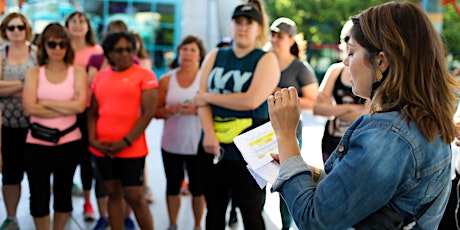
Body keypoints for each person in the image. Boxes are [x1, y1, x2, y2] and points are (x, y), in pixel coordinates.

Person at [268, 2, 458, 229]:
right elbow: (366, 189)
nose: (346, 62)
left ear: (381, 61)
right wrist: (300, 167)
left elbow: (313, 219)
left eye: (351, 52)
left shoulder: (389, 137)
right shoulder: (421, 119)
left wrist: (286, 135)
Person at [194, 0, 280, 229]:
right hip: (213, 146)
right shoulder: (215, 55)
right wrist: (208, 134)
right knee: (215, 209)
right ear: (231, 25)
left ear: (259, 29)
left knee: (250, 211)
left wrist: (209, 97)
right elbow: (198, 100)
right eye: (238, 22)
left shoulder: (266, 59)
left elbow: (251, 100)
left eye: (249, 23)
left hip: (249, 149)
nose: (243, 27)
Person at [88, 31, 158, 230]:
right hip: (102, 148)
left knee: (135, 197)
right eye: (119, 50)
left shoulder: (145, 75)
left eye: (129, 49)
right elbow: (93, 113)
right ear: (109, 53)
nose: (125, 54)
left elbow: (148, 113)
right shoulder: (101, 76)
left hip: (132, 149)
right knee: (113, 194)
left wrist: (125, 142)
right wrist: (93, 140)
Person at [22, 23, 88, 230]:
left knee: (63, 193)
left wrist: (45, 103)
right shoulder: (34, 73)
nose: (57, 48)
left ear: (68, 47)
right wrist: (64, 107)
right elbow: (28, 108)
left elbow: (79, 105)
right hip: (37, 142)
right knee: (39, 195)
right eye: (52, 43)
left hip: (68, 142)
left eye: (62, 44)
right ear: (44, 46)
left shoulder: (77, 72)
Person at [269, 16, 318, 230]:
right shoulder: (264, 61)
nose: (274, 39)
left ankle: (285, 225)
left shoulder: (300, 68)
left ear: (291, 39)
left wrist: (282, 96)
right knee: (257, 178)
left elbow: (313, 102)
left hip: (290, 132)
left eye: (280, 36)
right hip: (261, 130)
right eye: (272, 34)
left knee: (286, 178)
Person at [155, 35, 206, 230]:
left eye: (193, 50)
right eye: (184, 49)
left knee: (198, 189)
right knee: (172, 186)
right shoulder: (167, 79)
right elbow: (155, 111)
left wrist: (195, 110)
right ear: (178, 53)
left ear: (200, 55)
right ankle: (173, 224)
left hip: (198, 145)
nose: (188, 54)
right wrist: (170, 110)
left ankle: (197, 225)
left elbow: (214, 108)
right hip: (172, 144)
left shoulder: (205, 79)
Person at [65, 11, 103, 221]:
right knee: (67, 158)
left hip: (89, 111)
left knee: (88, 160)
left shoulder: (97, 51)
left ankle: (88, 202)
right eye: (74, 21)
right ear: (67, 26)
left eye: (82, 21)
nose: (78, 25)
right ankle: (65, 201)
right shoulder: (60, 48)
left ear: (89, 27)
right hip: (65, 110)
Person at [0, 12, 37, 230]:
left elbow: (41, 85)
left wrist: (7, 87)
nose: (16, 32)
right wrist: (25, 84)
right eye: (11, 28)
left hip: (35, 125)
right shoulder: (1, 54)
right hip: (8, 125)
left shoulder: (37, 53)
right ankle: (11, 217)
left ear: (26, 29)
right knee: (11, 175)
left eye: (20, 27)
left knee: (36, 172)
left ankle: (38, 211)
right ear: (5, 30)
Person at [313, 20, 370, 163]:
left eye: (353, 38)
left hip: (358, 141)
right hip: (331, 140)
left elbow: (366, 114)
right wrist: (351, 108)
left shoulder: (370, 74)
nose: (348, 43)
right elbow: (317, 108)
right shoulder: (335, 71)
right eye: (346, 38)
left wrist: (332, 110)